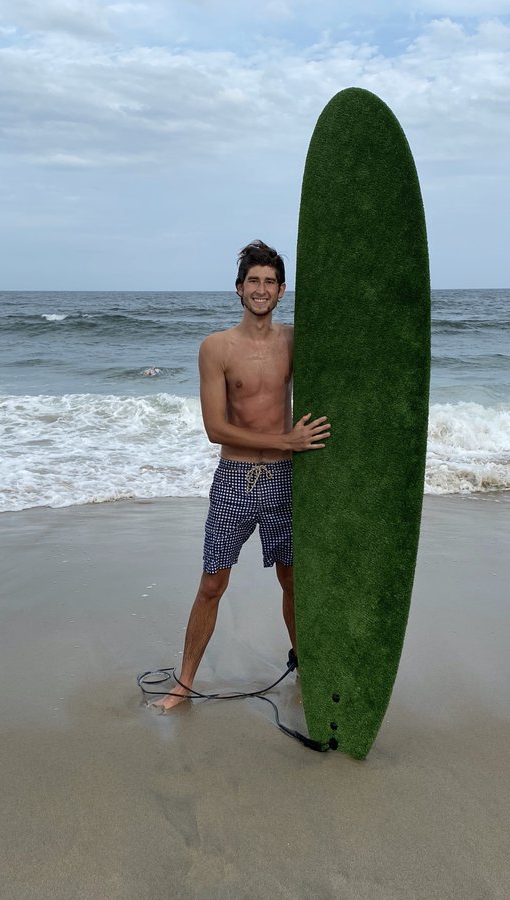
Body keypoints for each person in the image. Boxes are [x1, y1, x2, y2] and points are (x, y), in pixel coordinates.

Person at [153, 240, 330, 712]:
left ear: (282, 290)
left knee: (294, 581)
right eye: (254, 280)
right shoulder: (216, 348)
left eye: (270, 281)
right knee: (213, 582)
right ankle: (184, 683)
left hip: (286, 481)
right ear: (238, 289)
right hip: (235, 478)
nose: (261, 289)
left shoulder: (295, 341)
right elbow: (216, 429)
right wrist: (285, 441)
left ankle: (306, 665)